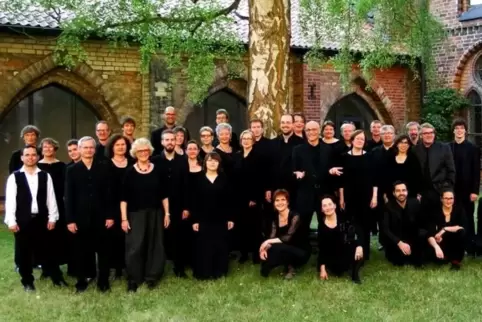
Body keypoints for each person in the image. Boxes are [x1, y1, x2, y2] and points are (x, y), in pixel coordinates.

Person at [4, 145, 64, 291]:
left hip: (42, 219)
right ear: (22, 158)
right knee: (24, 252)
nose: (30, 157)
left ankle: (57, 278)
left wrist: (52, 218)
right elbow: (10, 200)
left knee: (49, 249)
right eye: (27, 155)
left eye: (33, 155)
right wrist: (11, 220)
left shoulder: (45, 176)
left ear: (37, 157)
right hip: (23, 220)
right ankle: (27, 281)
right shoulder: (15, 177)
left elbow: (51, 199)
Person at [65, 136, 114, 293]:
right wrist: (70, 220)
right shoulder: (72, 170)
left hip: (101, 217)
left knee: (104, 251)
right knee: (81, 252)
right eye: (85, 147)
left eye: (91, 147)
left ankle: (103, 282)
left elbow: (110, 193)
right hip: (80, 218)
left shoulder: (104, 167)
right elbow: (69, 196)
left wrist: (110, 215)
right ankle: (81, 281)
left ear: (95, 149)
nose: (88, 150)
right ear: (79, 150)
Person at [121, 138, 170, 292]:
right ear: (135, 153)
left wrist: (167, 213)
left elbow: (164, 194)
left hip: (156, 213)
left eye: (145, 150)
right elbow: (123, 198)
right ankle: (134, 279)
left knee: (155, 245)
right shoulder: (129, 172)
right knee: (135, 247)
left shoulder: (158, 169)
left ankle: (152, 277)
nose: (143, 153)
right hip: (136, 214)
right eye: (140, 151)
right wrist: (124, 218)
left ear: (149, 152)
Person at [152, 130, 190, 278]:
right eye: (166, 140)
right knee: (159, 236)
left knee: (178, 236)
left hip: (179, 204)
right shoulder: (154, 160)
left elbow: (186, 185)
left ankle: (179, 267)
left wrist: (186, 207)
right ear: (162, 142)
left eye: (172, 139)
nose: (170, 142)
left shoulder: (182, 160)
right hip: (158, 205)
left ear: (176, 141)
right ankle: (157, 267)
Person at [292, 121, 339, 240]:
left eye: (314, 129)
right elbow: (293, 170)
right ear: (305, 132)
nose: (311, 132)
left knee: (325, 224)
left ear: (319, 131)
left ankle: (325, 252)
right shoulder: (298, 150)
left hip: (324, 193)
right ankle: (302, 252)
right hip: (305, 192)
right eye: (308, 130)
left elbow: (331, 169)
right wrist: (296, 173)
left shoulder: (328, 149)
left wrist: (331, 171)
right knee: (302, 225)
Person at [191, 152, 234, 280]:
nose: (212, 163)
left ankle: (219, 271)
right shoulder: (198, 178)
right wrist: (195, 220)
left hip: (221, 218)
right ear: (205, 163)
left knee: (220, 244)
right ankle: (204, 272)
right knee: (204, 245)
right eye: (210, 160)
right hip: (203, 218)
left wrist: (230, 218)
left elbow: (230, 200)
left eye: (215, 161)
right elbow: (194, 202)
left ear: (219, 163)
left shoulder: (224, 178)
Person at [338, 130, 378, 260]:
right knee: (352, 222)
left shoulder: (370, 156)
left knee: (365, 223)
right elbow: (342, 181)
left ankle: (365, 252)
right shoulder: (344, 156)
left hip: (366, 195)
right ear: (352, 140)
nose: (360, 141)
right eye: (358, 138)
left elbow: (375, 179)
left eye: (363, 139)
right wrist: (342, 198)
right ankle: (353, 248)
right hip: (350, 195)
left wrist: (375, 196)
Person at [259, 189, 309, 279]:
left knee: (277, 247)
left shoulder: (295, 216)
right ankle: (288, 266)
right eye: (277, 200)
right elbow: (272, 236)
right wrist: (264, 248)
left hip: (301, 251)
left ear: (288, 202)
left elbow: (287, 238)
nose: (280, 203)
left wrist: (266, 242)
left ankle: (290, 267)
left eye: (283, 200)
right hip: (285, 248)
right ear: (274, 203)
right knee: (273, 248)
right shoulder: (275, 218)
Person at [37, 138, 69, 273]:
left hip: (59, 204)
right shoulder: (37, 166)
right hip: (41, 205)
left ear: (55, 149)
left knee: (57, 235)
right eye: (45, 147)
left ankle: (56, 264)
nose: (48, 149)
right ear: (41, 149)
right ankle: (45, 266)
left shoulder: (62, 166)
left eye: (51, 147)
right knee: (43, 236)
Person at [448, 119, 480, 255]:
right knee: (453, 217)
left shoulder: (473, 148)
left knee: (468, 217)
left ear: (465, 131)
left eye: (462, 128)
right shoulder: (448, 147)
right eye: (457, 128)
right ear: (453, 131)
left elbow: (476, 171)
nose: (459, 130)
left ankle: (470, 245)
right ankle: (453, 244)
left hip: (467, 190)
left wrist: (474, 191)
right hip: (452, 189)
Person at [233, 130, 264, 264]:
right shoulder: (237, 156)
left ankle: (256, 255)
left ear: (253, 140)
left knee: (255, 227)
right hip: (239, 197)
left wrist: (254, 198)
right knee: (241, 227)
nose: (246, 140)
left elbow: (260, 179)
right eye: (243, 138)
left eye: (248, 138)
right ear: (241, 141)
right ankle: (244, 254)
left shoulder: (258, 156)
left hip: (253, 197)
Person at [105, 134, 134, 278]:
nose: (121, 147)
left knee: (128, 237)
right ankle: (115, 268)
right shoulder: (105, 164)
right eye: (117, 145)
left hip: (131, 204)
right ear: (112, 147)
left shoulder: (132, 162)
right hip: (112, 205)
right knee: (114, 238)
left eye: (123, 144)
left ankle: (127, 266)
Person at [318, 195, 363, 284]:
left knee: (359, 250)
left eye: (330, 204)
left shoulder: (344, 218)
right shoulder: (322, 226)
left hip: (346, 248)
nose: (328, 208)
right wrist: (322, 269)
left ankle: (355, 274)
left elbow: (358, 232)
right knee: (337, 271)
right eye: (324, 205)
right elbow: (322, 248)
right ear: (322, 209)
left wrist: (359, 246)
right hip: (332, 255)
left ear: (335, 205)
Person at [413, 123, 455, 215]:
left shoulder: (444, 148)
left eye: (431, 133)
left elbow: (451, 170)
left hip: (439, 190)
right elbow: (413, 172)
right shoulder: (415, 150)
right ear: (421, 135)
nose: (429, 135)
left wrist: (446, 188)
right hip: (422, 192)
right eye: (426, 133)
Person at [383, 181, 427, 267]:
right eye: (398, 191)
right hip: (397, 241)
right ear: (393, 193)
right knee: (399, 261)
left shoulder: (415, 203)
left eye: (403, 190)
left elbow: (422, 223)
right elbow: (386, 229)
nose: (401, 193)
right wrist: (399, 243)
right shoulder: (388, 207)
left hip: (412, 238)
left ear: (407, 192)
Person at [267, 114, 304, 207]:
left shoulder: (302, 143)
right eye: (283, 123)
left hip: (295, 189)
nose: (285, 125)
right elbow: (268, 167)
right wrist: (268, 188)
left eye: (288, 122)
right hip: (276, 188)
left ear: (293, 124)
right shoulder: (272, 143)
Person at [427, 189, 466, 270]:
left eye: (451, 198)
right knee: (439, 261)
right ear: (441, 199)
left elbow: (462, 227)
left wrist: (444, 229)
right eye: (446, 198)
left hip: (454, 243)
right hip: (440, 242)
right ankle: (443, 257)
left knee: (461, 232)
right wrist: (436, 247)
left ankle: (456, 261)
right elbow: (430, 234)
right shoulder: (435, 212)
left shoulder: (459, 210)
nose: (449, 201)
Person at [384, 135, 422, 201]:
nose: (403, 145)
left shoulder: (413, 158)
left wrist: (418, 193)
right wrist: (386, 193)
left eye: (406, 143)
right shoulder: (390, 157)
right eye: (401, 142)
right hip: (392, 193)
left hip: (410, 194)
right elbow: (385, 176)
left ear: (409, 145)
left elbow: (418, 177)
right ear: (397, 144)